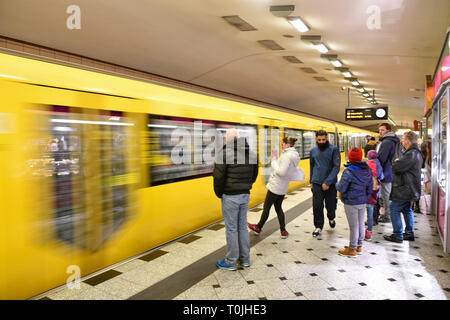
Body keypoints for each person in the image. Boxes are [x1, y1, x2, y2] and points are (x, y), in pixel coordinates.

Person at [213, 128, 259, 270]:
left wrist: (220, 193)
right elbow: (255, 173)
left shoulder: (224, 154)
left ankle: (231, 261)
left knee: (231, 229)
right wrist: (247, 185)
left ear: (227, 139)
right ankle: (244, 259)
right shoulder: (251, 153)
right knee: (242, 227)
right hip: (245, 195)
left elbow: (218, 177)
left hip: (230, 196)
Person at [248, 137, 303, 239]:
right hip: (283, 187)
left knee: (267, 208)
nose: (281, 146)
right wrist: (277, 159)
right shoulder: (294, 155)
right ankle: (283, 230)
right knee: (278, 208)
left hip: (276, 186)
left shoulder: (287, 156)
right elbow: (285, 168)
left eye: (282, 144)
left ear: (287, 145)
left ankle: (258, 227)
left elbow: (281, 172)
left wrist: (273, 161)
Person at [383, 131, 423, 243]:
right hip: (410, 188)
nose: (402, 141)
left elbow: (396, 168)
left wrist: (396, 162)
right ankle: (409, 233)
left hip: (404, 188)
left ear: (408, 141)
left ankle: (398, 235)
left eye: (404, 139)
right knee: (407, 209)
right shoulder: (415, 152)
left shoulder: (411, 154)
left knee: (394, 209)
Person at [336, 147, 373, 257]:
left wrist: (336, 185)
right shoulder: (367, 169)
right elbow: (370, 187)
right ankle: (358, 246)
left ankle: (352, 249)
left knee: (354, 226)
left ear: (350, 157)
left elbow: (342, 187)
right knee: (361, 223)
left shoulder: (349, 171)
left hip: (351, 201)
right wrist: (365, 197)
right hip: (362, 201)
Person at [310, 130, 341, 237]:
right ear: (316, 139)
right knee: (317, 206)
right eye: (319, 140)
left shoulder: (334, 149)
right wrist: (311, 181)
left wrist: (327, 182)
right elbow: (312, 166)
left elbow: (336, 167)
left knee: (331, 205)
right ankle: (318, 226)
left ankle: (331, 217)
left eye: (324, 139)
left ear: (327, 138)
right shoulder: (313, 151)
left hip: (330, 183)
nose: (322, 142)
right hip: (317, 182)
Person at [376, 123, 400, 223]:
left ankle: (387, 216)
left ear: (388, 131)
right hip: (394, 171)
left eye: (382, 130)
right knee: (390, 195)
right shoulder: (395, 141)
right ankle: (390, 215)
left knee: (386, 196)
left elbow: (381, 158)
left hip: (386, 172)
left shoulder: (386, 142)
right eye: (379, 130)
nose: (380, 132)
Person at [365, 150, 384, 241]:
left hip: (367, 195)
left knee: (366, 212)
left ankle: (364, 231)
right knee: (372, 209)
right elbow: (382, 176)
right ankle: (370, 229)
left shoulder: (368, 165)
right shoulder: (379, 164)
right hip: (375, 192)